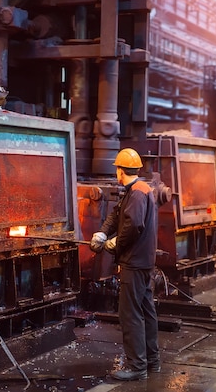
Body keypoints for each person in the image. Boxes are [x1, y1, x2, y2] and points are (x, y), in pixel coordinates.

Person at [90, 148, 160, 381]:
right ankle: (151, 361)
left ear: (121, 170)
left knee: (129, 314)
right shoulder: (135, 189)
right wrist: (101, 233)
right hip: (143, 261)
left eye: (117, 169)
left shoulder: (138, 194)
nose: (116, 173)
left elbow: (133, 226)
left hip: (134, 262)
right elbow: (117, 215)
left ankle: (136, 367)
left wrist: (113, 244)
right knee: (146, 311)